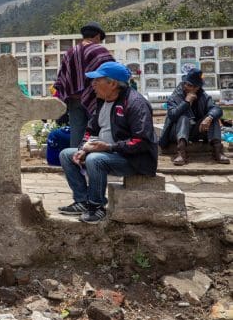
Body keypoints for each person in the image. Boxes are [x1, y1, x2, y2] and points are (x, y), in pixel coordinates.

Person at [58, 62, 158, 224]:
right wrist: (83, 148)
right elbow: (91, 130)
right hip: (107, 153)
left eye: (97, 80)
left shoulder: (135, 103)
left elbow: (142, 141)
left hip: (134, 159)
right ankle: (82, 201)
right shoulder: (102, 101)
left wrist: (109, 147)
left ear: (112, 84)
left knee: (95, 159)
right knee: (66, 155)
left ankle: (96, 207)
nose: (93, 84)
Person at [53, 22, 115, 148]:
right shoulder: (99, 51)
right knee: (97, 132)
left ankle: (74, 157)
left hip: (74, 101)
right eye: (100, 40)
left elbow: (62, 78)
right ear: (97, 36)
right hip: (96, 100)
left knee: (76, 134)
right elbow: (112, 71)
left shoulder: (69, 52)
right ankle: (93, 159)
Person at [159, 69, 229, 166]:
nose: (188, 87)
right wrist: (186, 102)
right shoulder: (175, 96)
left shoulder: (203, 96)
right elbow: (172, 115)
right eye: (187, 84)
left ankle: (218, 151)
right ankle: (181, 153)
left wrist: (209, 117)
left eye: (192, 86)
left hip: (195, 130)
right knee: (183, 118)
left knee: (213, 118)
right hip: (176, 133)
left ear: (197, 88)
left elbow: (217, 109)